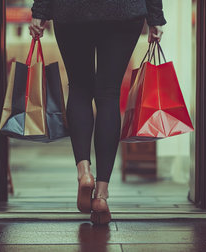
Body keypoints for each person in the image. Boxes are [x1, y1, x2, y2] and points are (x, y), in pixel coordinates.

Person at [29, 0, 166, 224]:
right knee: (108, 94)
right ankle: (101, 195)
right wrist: (155, 17)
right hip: (123, 12)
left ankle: (84, 172)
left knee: (80, 89)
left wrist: (40, 11)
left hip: (72, 11)